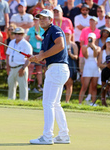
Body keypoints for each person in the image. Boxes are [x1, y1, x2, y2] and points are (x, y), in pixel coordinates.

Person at [29, 9, 70, 144]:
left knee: (48, 103)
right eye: (40, 18)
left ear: (51, 20)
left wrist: (41, 56)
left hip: (57, 69)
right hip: (57, 69)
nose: (42, 20)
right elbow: (43, 52)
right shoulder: (46, 34)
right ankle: (64, 135)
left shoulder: (55, 29)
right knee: (55, 104)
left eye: (45, 18)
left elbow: (60, 45)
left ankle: (47, 137)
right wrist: (36, 58)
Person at [6, 27, 32, 101]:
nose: (17, 35)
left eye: (19, 34)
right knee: (11, 85)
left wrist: (23, 68)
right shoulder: (11, 42)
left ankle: (23, 101)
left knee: (23, 86)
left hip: (21, 67)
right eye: (16, 34)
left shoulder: (26, 44)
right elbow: (8, 55)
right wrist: (7, 67)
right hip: (12, 67)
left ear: (23, 34)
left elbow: (29, 58)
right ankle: (10, 100)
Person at [78, 33, 101, 105]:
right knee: (84, 86)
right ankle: (80, 103)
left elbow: (95, 55)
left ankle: (93, 103)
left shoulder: (98, 48)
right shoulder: (84, 47)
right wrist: (88, 47)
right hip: (87, 67)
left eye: (91, 38)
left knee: (94, 87)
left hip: (95, 68)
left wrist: (93, 47)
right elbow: (86, 56)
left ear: (94, 39)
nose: (90, 40)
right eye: (89, 38)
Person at [25, 17, 45, 92]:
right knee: (30, 66)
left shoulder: (43, 30)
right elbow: (26, 39)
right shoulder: (31, 29)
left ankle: (40, 85)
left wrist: (40, 38)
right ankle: (28, 83)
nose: (36, 21)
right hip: (32, 50)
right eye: (34, 20)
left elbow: (46, 39)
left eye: (37, 20)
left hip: (40, 51)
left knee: (39, 68)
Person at [64, 29, 78, 103]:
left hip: (71, 65)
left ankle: (67, 101)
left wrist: (70, 54)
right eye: (65, 34)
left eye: (68, 34)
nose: (67, 36)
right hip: (63, 64)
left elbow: (76, 57)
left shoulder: (74, 45)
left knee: (69, 84)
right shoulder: (61, 44)